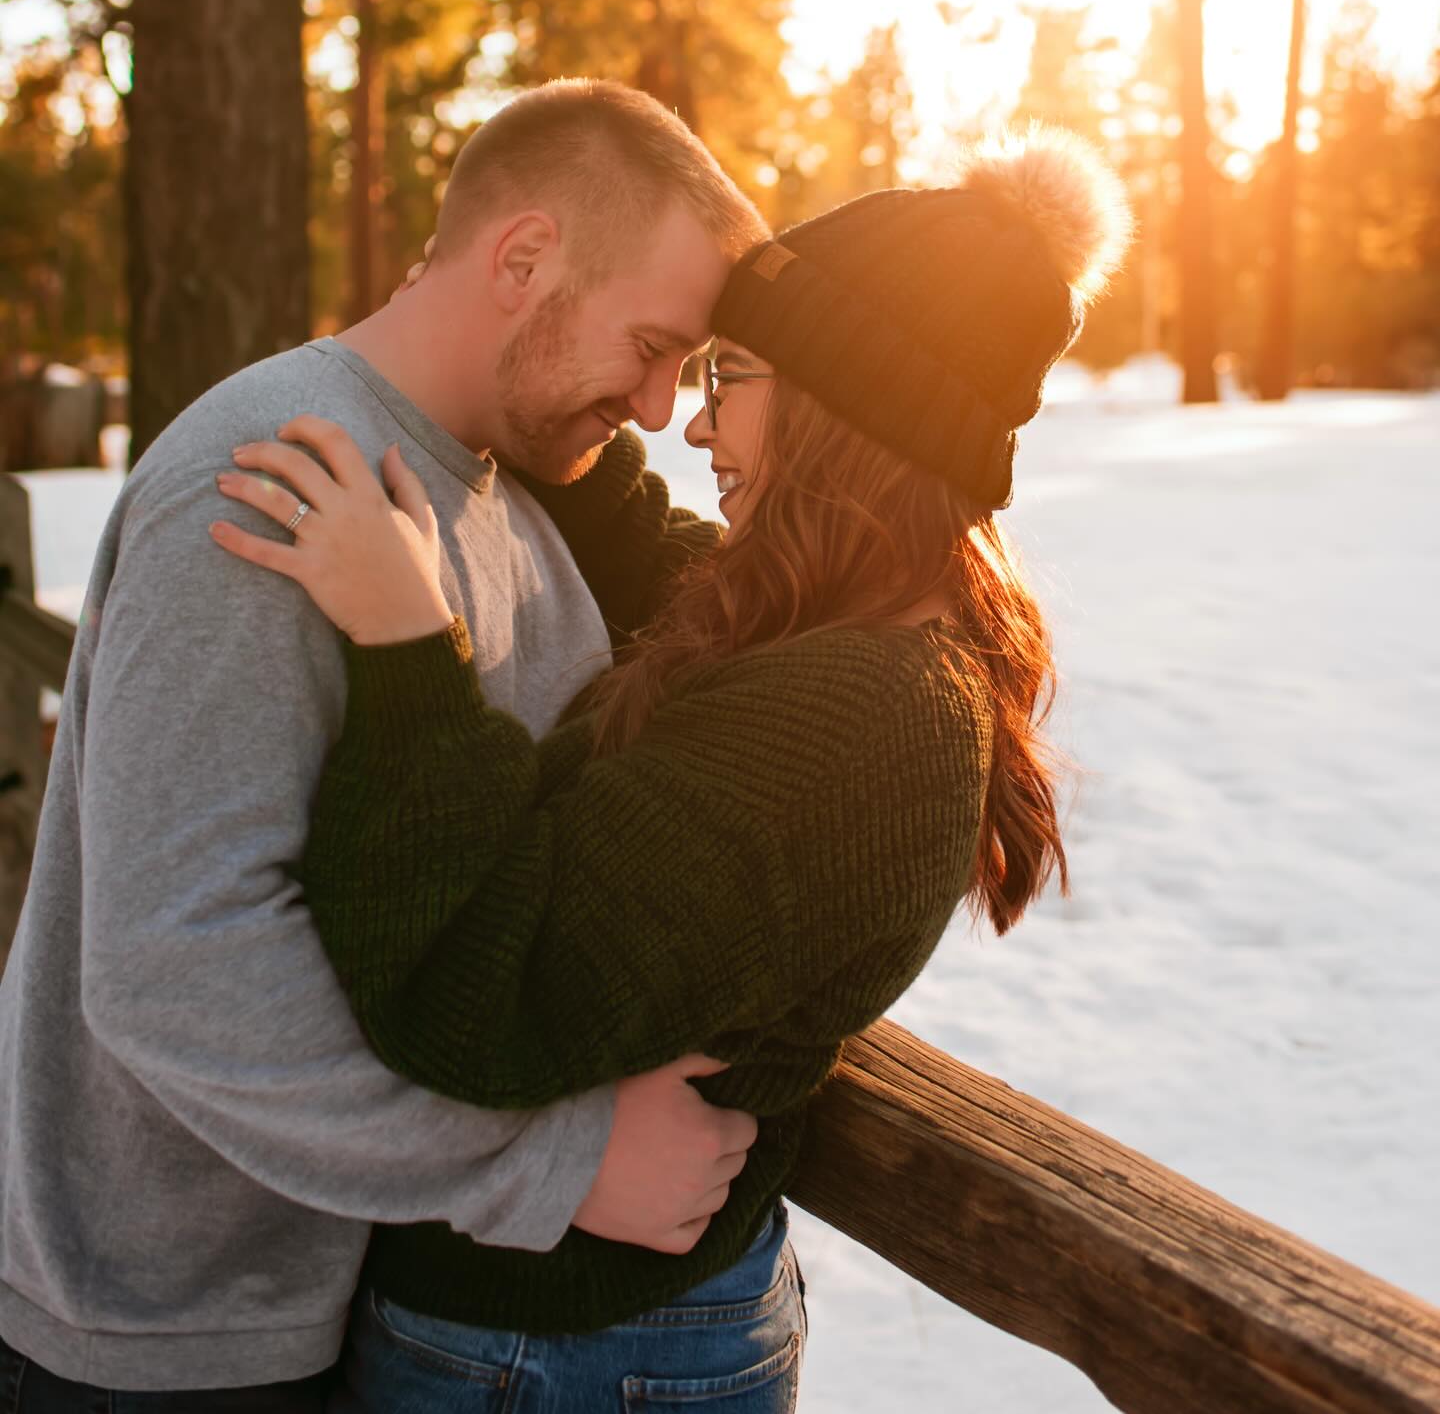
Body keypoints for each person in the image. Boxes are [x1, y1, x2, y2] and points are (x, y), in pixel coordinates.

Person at [211, 127, 1132, 1413]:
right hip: (568, 1336)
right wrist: (513, 341)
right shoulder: (828, 629)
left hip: (557, 1359)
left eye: (729, 377)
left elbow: (480, 1000)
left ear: (840, 406)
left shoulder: (855, 717)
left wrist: (407, 641)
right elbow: (647, 546)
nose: (691, 418)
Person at [0, 80, 769, 1407]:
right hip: (159, 1335)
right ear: (522, 258)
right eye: (651, 344)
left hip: (314, 1294)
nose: (656, 409)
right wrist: (555, 1153)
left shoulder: (499, 496)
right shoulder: (273, 472)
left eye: (690, 369)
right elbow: (174, 963)